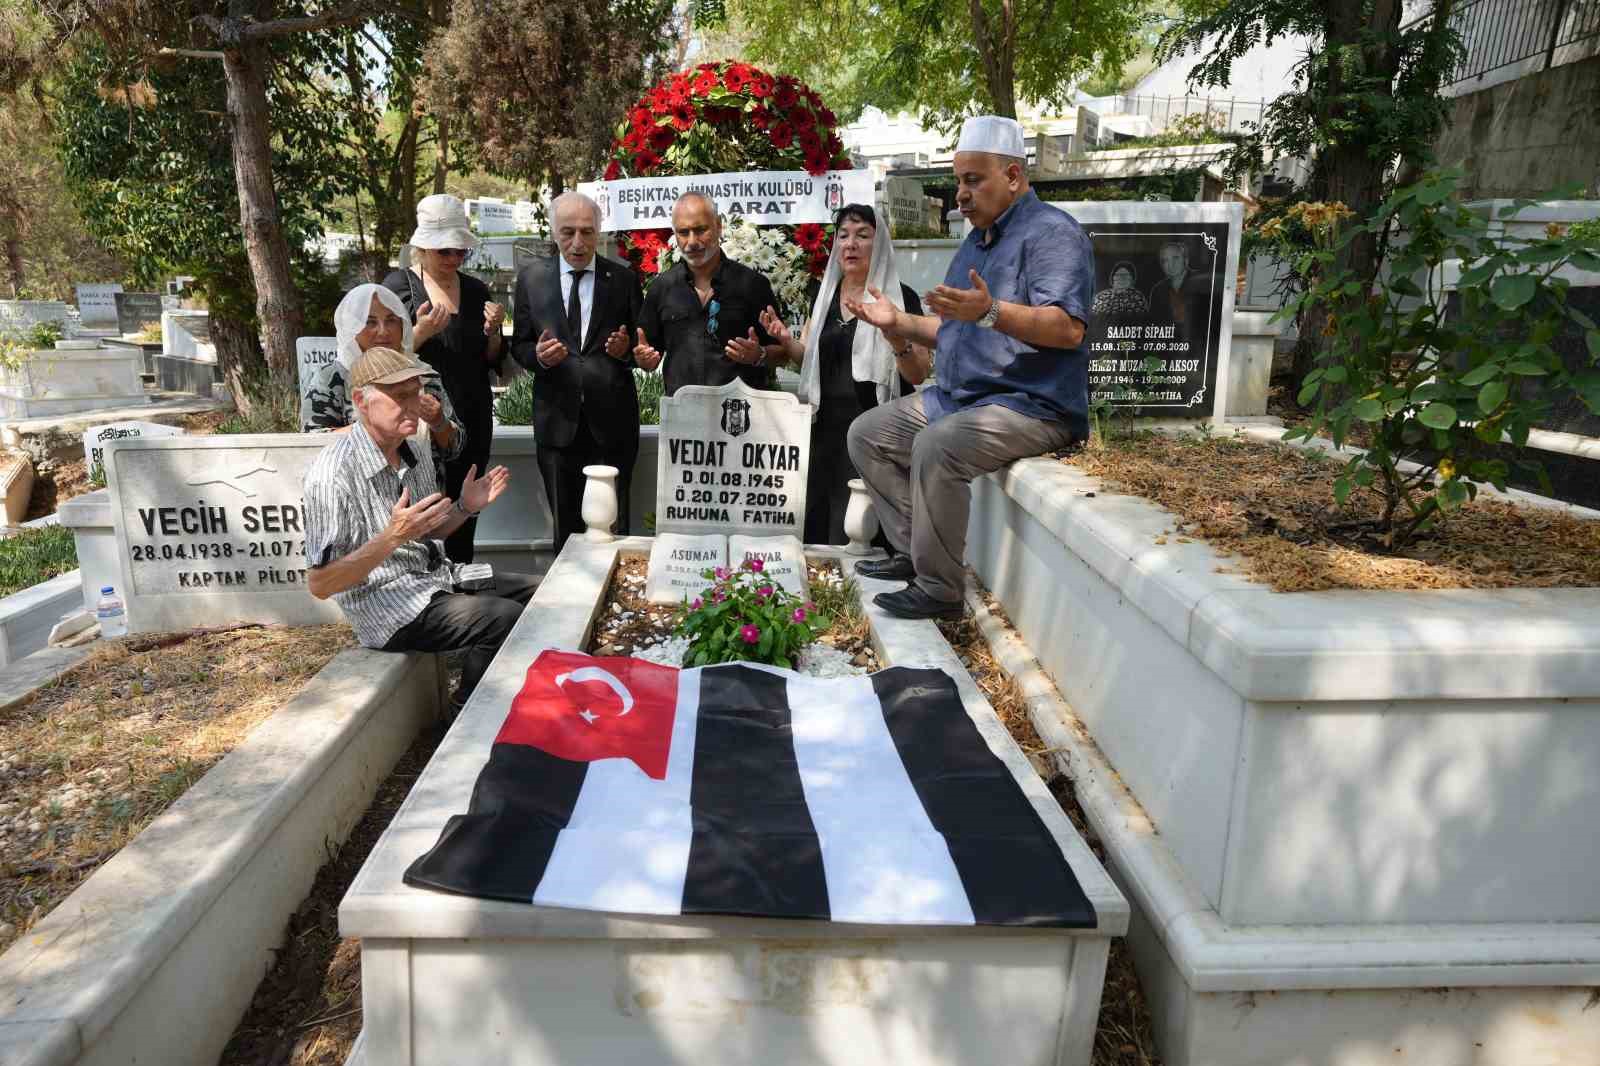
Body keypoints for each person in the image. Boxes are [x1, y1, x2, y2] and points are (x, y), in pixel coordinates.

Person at [844, 115, 1095, 619]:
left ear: (1014, 177)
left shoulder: (1051, 234)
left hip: (1030, 403)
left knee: (938, 445)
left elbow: (1068, 328)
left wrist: (990, 311)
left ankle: (940, 590)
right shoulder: (976, 241)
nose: (960, 193)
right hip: (962, 397)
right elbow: (953, 330)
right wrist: (898, 321)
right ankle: (917, 554)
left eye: (973, 180)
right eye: (958, 180)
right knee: (866, 433)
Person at [303, 346, 534, 716]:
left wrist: (464, 507)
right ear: (362, 401)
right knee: (501, 617)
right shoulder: (332, 474)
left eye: (417, 392)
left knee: (540, 594)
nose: (415, 404)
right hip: (386, 607)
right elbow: (320, 584)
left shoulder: (414, 448)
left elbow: (429, 533)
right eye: (400, 396)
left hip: (436, 580)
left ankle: (517, 703)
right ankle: (466, 717)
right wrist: (392, 537)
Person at [757, 203, 931, 545]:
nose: (850, 244)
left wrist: (895, 337)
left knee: (870, 534)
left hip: (876, 434)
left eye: (862, 235)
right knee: (823, 532)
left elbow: (919, 371)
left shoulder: (900, 298)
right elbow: (806, 358)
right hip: (825, 435)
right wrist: (782, 340)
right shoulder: (823, 298)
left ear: (879, 244)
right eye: (843, 235)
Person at [510, 192, 644, 552]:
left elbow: (642, 346)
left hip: (613, 425)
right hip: (557, 423)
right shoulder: (532, 279)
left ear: (599, 232)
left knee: (614, 528)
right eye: (568, 232)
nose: (578, 242)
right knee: (565, 531)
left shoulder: (624, 279)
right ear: (554, 232)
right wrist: (538, 357)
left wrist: (624, 352)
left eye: (587, 232)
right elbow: (519, 345)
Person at [385, 194, 506, 563]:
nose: (453, 259)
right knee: (425, 510)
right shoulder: (398, 287)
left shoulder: (475, 291)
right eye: (444, 252)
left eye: (460, 252)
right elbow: (384, 360)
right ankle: (428, 592)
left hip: (473, 415)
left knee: (467, 505)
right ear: (422, 248)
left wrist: (495, 331)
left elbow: (490, 358)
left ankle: (462, 583)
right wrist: (419, 333)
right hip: (420, 421)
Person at [633, 192, 781, 396]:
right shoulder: (662, 288)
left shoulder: (753, 285)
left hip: (738, 417)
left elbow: (783, 352)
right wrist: (644, 361)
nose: (692, 241)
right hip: (682, 416)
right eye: (683, 232)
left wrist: (760, 354)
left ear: (718, 226)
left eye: (701, 230)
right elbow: (648, 355)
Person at [301, 283, 466, 465]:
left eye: (391, 320)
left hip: (424, 490)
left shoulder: (424, 375)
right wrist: (373, 425)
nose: (383, 331)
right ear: (351, 327)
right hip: (356, 488)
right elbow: (310, 446)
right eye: (370, 322)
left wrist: (438, 422)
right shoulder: (332, 378)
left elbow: (454, 449)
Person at [1147, 240, 1210, 342]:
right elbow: (1154, 323)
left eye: (1175, 258)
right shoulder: (1158, 290)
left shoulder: (1201, 282)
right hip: (1167, 344)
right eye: (1165, 260)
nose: (1170, 264)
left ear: (1186, 260)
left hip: (1198, 342)